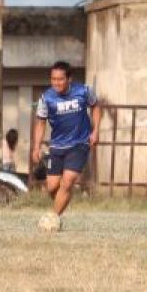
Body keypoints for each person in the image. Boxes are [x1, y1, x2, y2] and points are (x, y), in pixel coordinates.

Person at [30, 61, 101, 225]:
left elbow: (96, 107)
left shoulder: (84, 91)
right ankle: (64, 197)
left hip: (79, 143)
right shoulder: (46, 98)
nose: (56, 83)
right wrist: (36, 146)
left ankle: (52, 219)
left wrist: (95, 131)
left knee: (67, 181)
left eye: (60, 79)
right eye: (53, 79)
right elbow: (41, 122)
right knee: (52, 187)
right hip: (57, 146)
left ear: (69, 79)